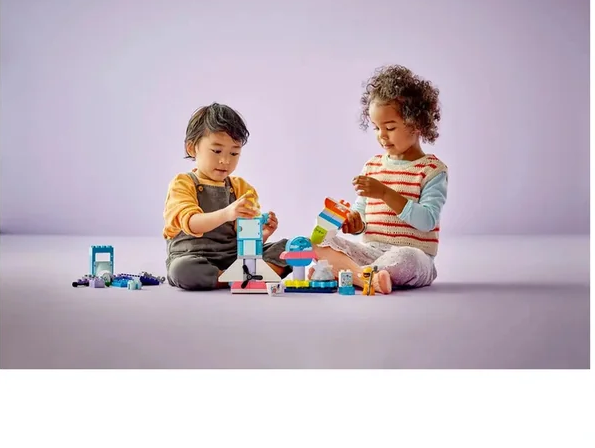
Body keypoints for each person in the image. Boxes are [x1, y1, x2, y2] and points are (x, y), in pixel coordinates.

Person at [311, 65, 448, 294]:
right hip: (371, 253)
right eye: (376, 128)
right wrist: (355, 223)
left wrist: (384, 193)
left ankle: (343, 273)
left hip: (414, 256)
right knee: (318, 241)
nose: (382, 135)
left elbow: (427, 220)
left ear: (417, 124)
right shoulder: (372, 166)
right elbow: (362, 213)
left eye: (390, 127)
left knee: (407, 257)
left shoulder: (432, 170)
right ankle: (365, 278)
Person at [163, 103, 291, 290]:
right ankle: (240, 277)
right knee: (182, 269)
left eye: (234, 153)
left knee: (289, 248)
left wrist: (261, 235)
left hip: (234, 257)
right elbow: (191, 223)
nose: (225, 160)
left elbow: (245, 242)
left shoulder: (242, 188)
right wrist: (226, 214)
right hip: (193, 255)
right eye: (216, 151)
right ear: (191, 148)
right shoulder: (183, 183)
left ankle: (239, 276)